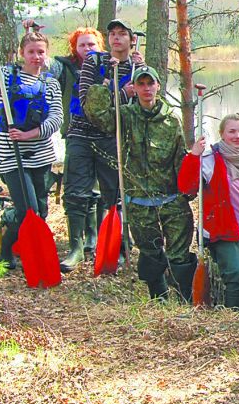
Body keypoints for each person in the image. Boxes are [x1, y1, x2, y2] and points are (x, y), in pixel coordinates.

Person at [84, 65, 194, 301]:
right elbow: (97, 116)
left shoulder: (171, 120)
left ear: (157, 86)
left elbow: (179, 159)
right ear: (134, 88)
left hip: (172, 200)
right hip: (139, 202)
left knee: (180, 256)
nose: (146, 89)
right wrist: (104, 84)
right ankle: (159, 298)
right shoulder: (124, 116)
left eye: (150, 83)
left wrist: (188, 191)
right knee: (151, 253)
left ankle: (185, 299)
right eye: (141, 84)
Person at [0, 29, 63, 270]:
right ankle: (5, 242)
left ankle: (19, 244)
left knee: (41, 212)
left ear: (46, 55)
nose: (36, 56)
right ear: (22, 53)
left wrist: (29, 134)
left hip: (41, 156)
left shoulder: (51, 83)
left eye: (40, 52)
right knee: (28, 211)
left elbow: (56, 118)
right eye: (31, 52)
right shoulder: (6, 77)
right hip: (12, 157)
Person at [63, 19, 144, 271]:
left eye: (122, 34)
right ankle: (76, 248)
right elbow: (88, 101)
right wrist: (123, 94)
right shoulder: (94, 61)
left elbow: (144, 102)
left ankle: (117, 245)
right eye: (112, 34)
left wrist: (135, 85)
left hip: (113, 138)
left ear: (132, 40)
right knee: (76, 193)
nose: (116, 38)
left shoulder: (137, 69)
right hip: (81, 134)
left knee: (114, 195)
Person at [177, 113, 239, 310]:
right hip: (224, 230)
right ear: (222, 134)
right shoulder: (210, 160)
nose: (237, 135)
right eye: (232, 131)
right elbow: (186, 187)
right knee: (238, 273)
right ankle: (233, 318)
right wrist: (194, 156)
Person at [51, 26, 106, 272]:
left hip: (105, 135)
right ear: (74, 48)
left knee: (99, 190)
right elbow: (40, 66)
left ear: (99, 46)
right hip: (76, 133)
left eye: (91, 44)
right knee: (75, 190)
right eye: (82, 45)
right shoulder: (65, 68)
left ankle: (94, 238)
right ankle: (75, 247)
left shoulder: (109, 66)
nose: (87, 49)